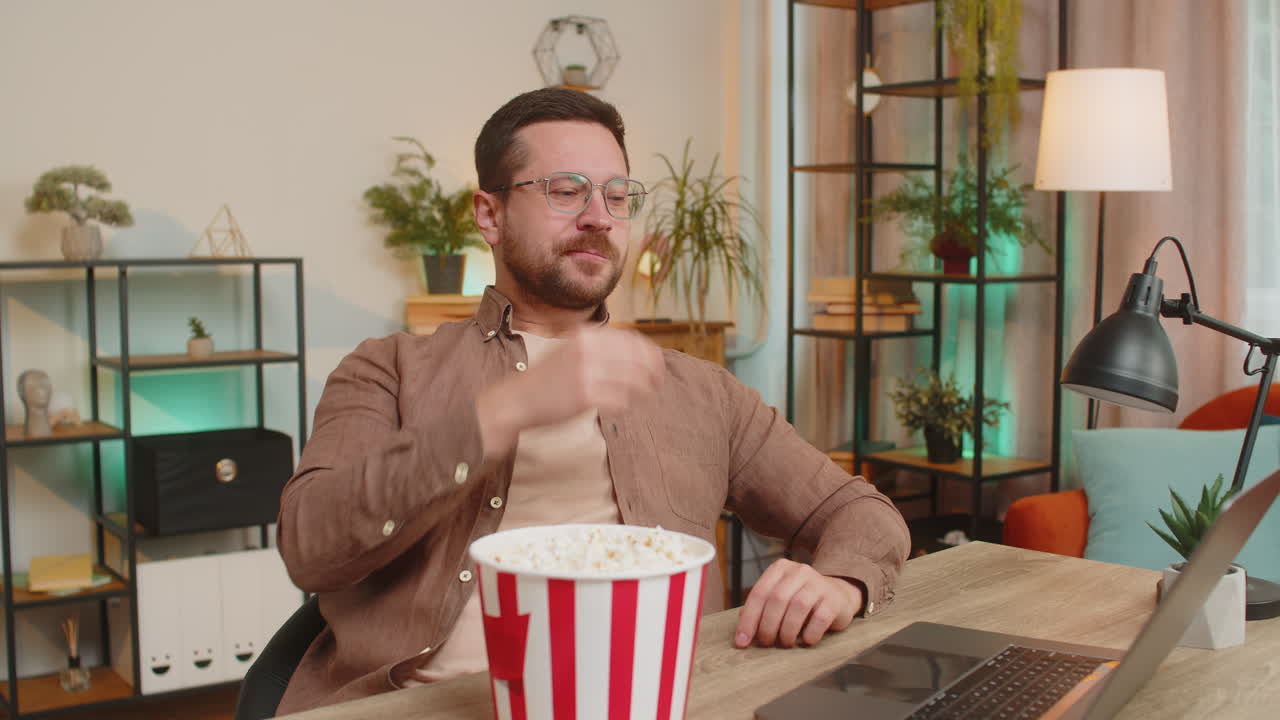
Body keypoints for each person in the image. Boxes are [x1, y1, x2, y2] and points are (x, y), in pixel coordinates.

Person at [275, 87, 910, 715]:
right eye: (566, 190)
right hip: (428, 707)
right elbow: (311, 546)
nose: (599, 217)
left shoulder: (700, 389)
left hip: (651, 702)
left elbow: (861, 513)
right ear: (489, 215)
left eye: (617, 196)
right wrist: (504, 412)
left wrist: (840, 580)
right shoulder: (387, 369)